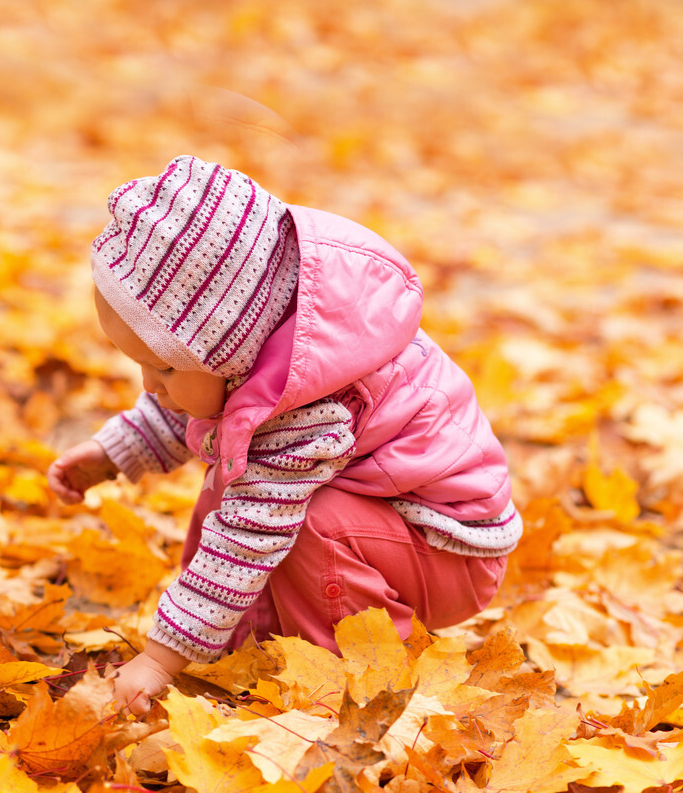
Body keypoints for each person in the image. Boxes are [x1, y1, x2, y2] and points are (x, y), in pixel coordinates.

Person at [47, 155, 521, 717]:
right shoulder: (261, 355)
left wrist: (159, 657)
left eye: (166, 369)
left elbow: (247, 536)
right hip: (391, 524)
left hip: (447, 550)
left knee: (291, 517)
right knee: (238, 481)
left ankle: (357, 682)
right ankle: (253, 644)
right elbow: (199, 410)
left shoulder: (311, 406)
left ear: (232, 350)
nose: (150, 385)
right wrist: (114, 453)